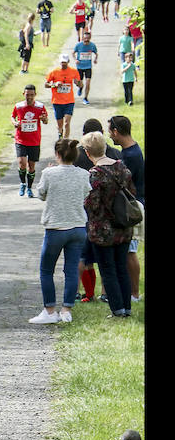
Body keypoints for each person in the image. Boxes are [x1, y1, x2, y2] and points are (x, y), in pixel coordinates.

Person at [28, 139, 92, 324]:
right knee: (71, 270)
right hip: (78, 227)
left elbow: (41, 194)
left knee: (46, 269)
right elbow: (86, 194)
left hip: (56, 227)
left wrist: (49, 173)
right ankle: (66, 310)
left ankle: (49, 310)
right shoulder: (83, 174)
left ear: (57, 155)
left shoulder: (49, 173)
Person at [82, 131, 136, 318]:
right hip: (123, 226)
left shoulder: (95, 174)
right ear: (104, 147)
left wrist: (85, 201)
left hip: (103, 230)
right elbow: (131, 193)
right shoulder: (122, 168)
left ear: (88, 153)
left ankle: (117, 310)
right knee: (122, 267)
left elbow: (93, 205)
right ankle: (127, 308)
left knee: (108, 270)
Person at [73, 119, 122, 303]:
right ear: (102, 132)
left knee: (81, 255)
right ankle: (105, 292)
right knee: (106, 255)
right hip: (111, 211)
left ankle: (77, 291)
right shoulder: (114, 153)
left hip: (84, 211)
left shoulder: (78, 154)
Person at [108, 115, 145, 301]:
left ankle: (134, 293)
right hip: (132, 204)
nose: (110, 136)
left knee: (130, 251)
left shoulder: (130, 155)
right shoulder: (132, 149)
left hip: (132, 207)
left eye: (110, 132)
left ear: (116, 131)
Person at [11, 84, 50, 198]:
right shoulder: (18, 106)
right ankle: (22, 183)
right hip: (21, 139)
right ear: (24, 94)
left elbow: (46, 120)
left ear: (35, 95)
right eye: (27, 95)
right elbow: (13, 117)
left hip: (34, 141)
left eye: (32, 95)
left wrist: (44, 119)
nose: (29, 98)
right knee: (22, 163)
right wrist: (15, 123)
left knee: (31, 166)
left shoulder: (40, 107)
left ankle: (29, 187)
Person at [45, 53, 83, 139]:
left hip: (69, 101)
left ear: (68, 62)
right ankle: (60, 132)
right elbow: (46, 84)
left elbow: (80, 84)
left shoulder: (73, 71)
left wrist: (78, 83)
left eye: (65, 62)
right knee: (60, 124)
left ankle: (65, 141)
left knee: (67, 123)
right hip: (57, 101)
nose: (63, 64)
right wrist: (54, 84)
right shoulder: (54, 72)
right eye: (62, 62)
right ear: (60, 62)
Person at [73, 31, 99, 105]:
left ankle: (85, 98)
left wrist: (95, 59)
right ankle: (81, 88)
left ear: (90, 38)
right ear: (83, 38)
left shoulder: (92, 45)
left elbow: (96, 53)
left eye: (88, 38)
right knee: (79, 83)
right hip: (80, 66)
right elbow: (73, 53)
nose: (86, 39)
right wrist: (75, 60)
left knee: (88, 83)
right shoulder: (78, 45)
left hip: (88, 66)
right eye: (85, 38)